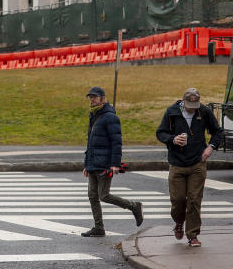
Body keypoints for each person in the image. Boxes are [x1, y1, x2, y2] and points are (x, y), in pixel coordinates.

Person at [155, 87, 224, 247]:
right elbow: (160, 133)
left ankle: (193, 235)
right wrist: (172, 139)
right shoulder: (172, 112)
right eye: (189, 106)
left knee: (194, 200)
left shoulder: (204, 112)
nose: (193, 110)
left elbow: (217, 132)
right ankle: (179, 222)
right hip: (177, 163)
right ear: (183, 103)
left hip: (197, 163)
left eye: (195, 106)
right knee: (178, 200)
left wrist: (210, 147)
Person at [81, 86, 143, 237]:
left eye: (94, 97)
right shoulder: (93, 115)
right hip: (93, 163)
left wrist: (115, 164)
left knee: (104, 195)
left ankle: (134, 206)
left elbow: (116, 142)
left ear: (103, 98)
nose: (92, 100)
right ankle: (99, 227)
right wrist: (86, 164)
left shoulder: (110, 117)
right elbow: (90, 142)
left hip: (104, 164)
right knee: (92, 196)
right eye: (90, 97)